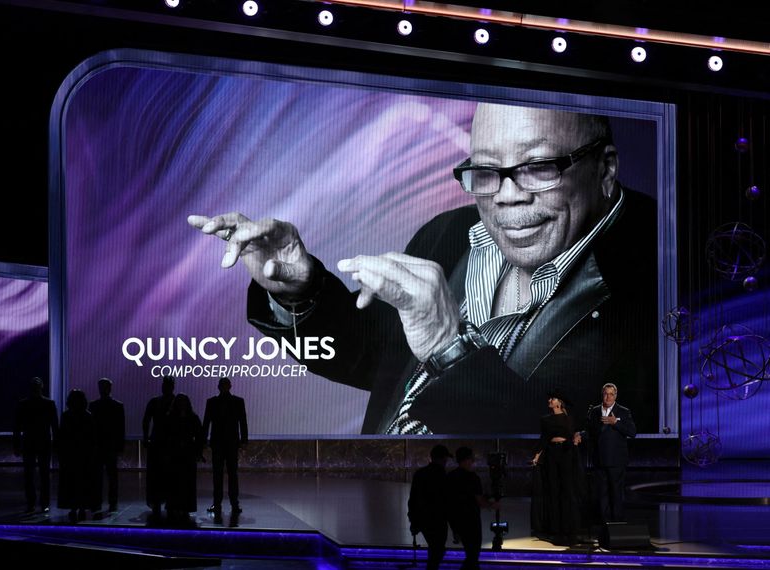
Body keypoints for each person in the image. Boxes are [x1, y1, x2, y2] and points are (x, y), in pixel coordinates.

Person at [188, 103, 658, 435]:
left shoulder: (664, 274)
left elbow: (590, 461)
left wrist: (450, 352)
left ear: (606, 168)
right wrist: (300, 289)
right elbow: (380, 359)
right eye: (487, 171)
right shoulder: (450, 232)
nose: (507, 196)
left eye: (538, 167)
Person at [531, 390, 584, 545]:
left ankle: (570, 528)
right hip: (552, 454)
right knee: (553, 490)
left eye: (552, 398)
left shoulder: (569, 419)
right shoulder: (545, 419)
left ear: (559, 403)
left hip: (567, 453)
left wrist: (576, 437)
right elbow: (544, 439)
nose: (549, 400)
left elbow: (574, 434)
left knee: (567, 490)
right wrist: (536, 455)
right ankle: (556, 528)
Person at [585, 382, 636, 524]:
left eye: (611, 394)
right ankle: (604, 524)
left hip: (616, 461)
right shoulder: (594, 411)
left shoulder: (623, 411)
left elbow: (632, 432)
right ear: (602, 395)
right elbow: (590, 431)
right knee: (602, 493)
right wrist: (580, 435)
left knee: (616, 493)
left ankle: (617, 523)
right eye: (605, 394)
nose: (608, 397)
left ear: (615, 396)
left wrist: (615, 423)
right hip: (599, 459)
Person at [201, 377, 248, 514]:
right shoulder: (233, 402)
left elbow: (242, 421)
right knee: (225, 474)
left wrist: (244, 440)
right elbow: (206, 422)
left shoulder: (215, 402)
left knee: (225, 474)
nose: (224, 387)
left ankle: (228, 503)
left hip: (225, 443)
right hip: (224, 443)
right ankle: (227, 503)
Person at [13, 376, 59, 513]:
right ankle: (43, 503)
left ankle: (32, 503)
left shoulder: (23, 404)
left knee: (31, 475)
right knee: (42, 474)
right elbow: (55, 426)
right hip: (43, 442)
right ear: (42, 387)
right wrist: (56, 444)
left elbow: (17, 428)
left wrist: (16, 445)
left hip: (30, 443)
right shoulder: (49, 403)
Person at [408, 444, 453, 570]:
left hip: (423, 520)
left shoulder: (419, 474)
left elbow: (412, 500)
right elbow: (446, 502)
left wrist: (413, 521)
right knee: (437, 550)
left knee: (435, 550)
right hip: (438, 521)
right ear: (443, 459)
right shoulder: (442, 476)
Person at [447, 447, 493, 569]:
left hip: (457, 521)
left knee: (470, 554)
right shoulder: (473, 478)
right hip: (471, 521)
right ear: (467, 460)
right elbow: (479, 501)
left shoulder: (450, 476)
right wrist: (492, 505)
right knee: (473, 555)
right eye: (472, 458)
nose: (473, 461)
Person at [57, 389, 99, 522]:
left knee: (71, 482)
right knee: (83, 482)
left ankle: (73, 507)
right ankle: (81, 507)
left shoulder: (66, 416)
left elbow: (62, 435)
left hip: (71, 455)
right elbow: (93, 438)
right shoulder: (88, 416)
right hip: (83, 455)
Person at [164, 393, 204, 525]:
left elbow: (200, 436)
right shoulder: (173, 417)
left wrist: (198, 451)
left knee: (186, 482)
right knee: (174, 481)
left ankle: (185, 507)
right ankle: (175, 507)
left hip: (187, 454)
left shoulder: (191, 417)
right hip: (176, 453)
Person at [143, 375, 177, 520]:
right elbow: (146, 420)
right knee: (156, 475)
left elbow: (146, 420)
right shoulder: (155, 401)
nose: (165, 387)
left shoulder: (176, 402)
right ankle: (157, 502)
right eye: (165, 384)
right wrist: (145, 437)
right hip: (158, 442)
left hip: (170, 443)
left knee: (169, 475)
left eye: (168, 385)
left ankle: (169, 502)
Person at [89, 377, 125, 514]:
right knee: (107, 476)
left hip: (102, 446)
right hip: (105, 446)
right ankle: (110, 502)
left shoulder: (94, 405)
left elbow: (121, 428)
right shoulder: (116, 405)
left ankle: (100, 503)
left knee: (102, 476)